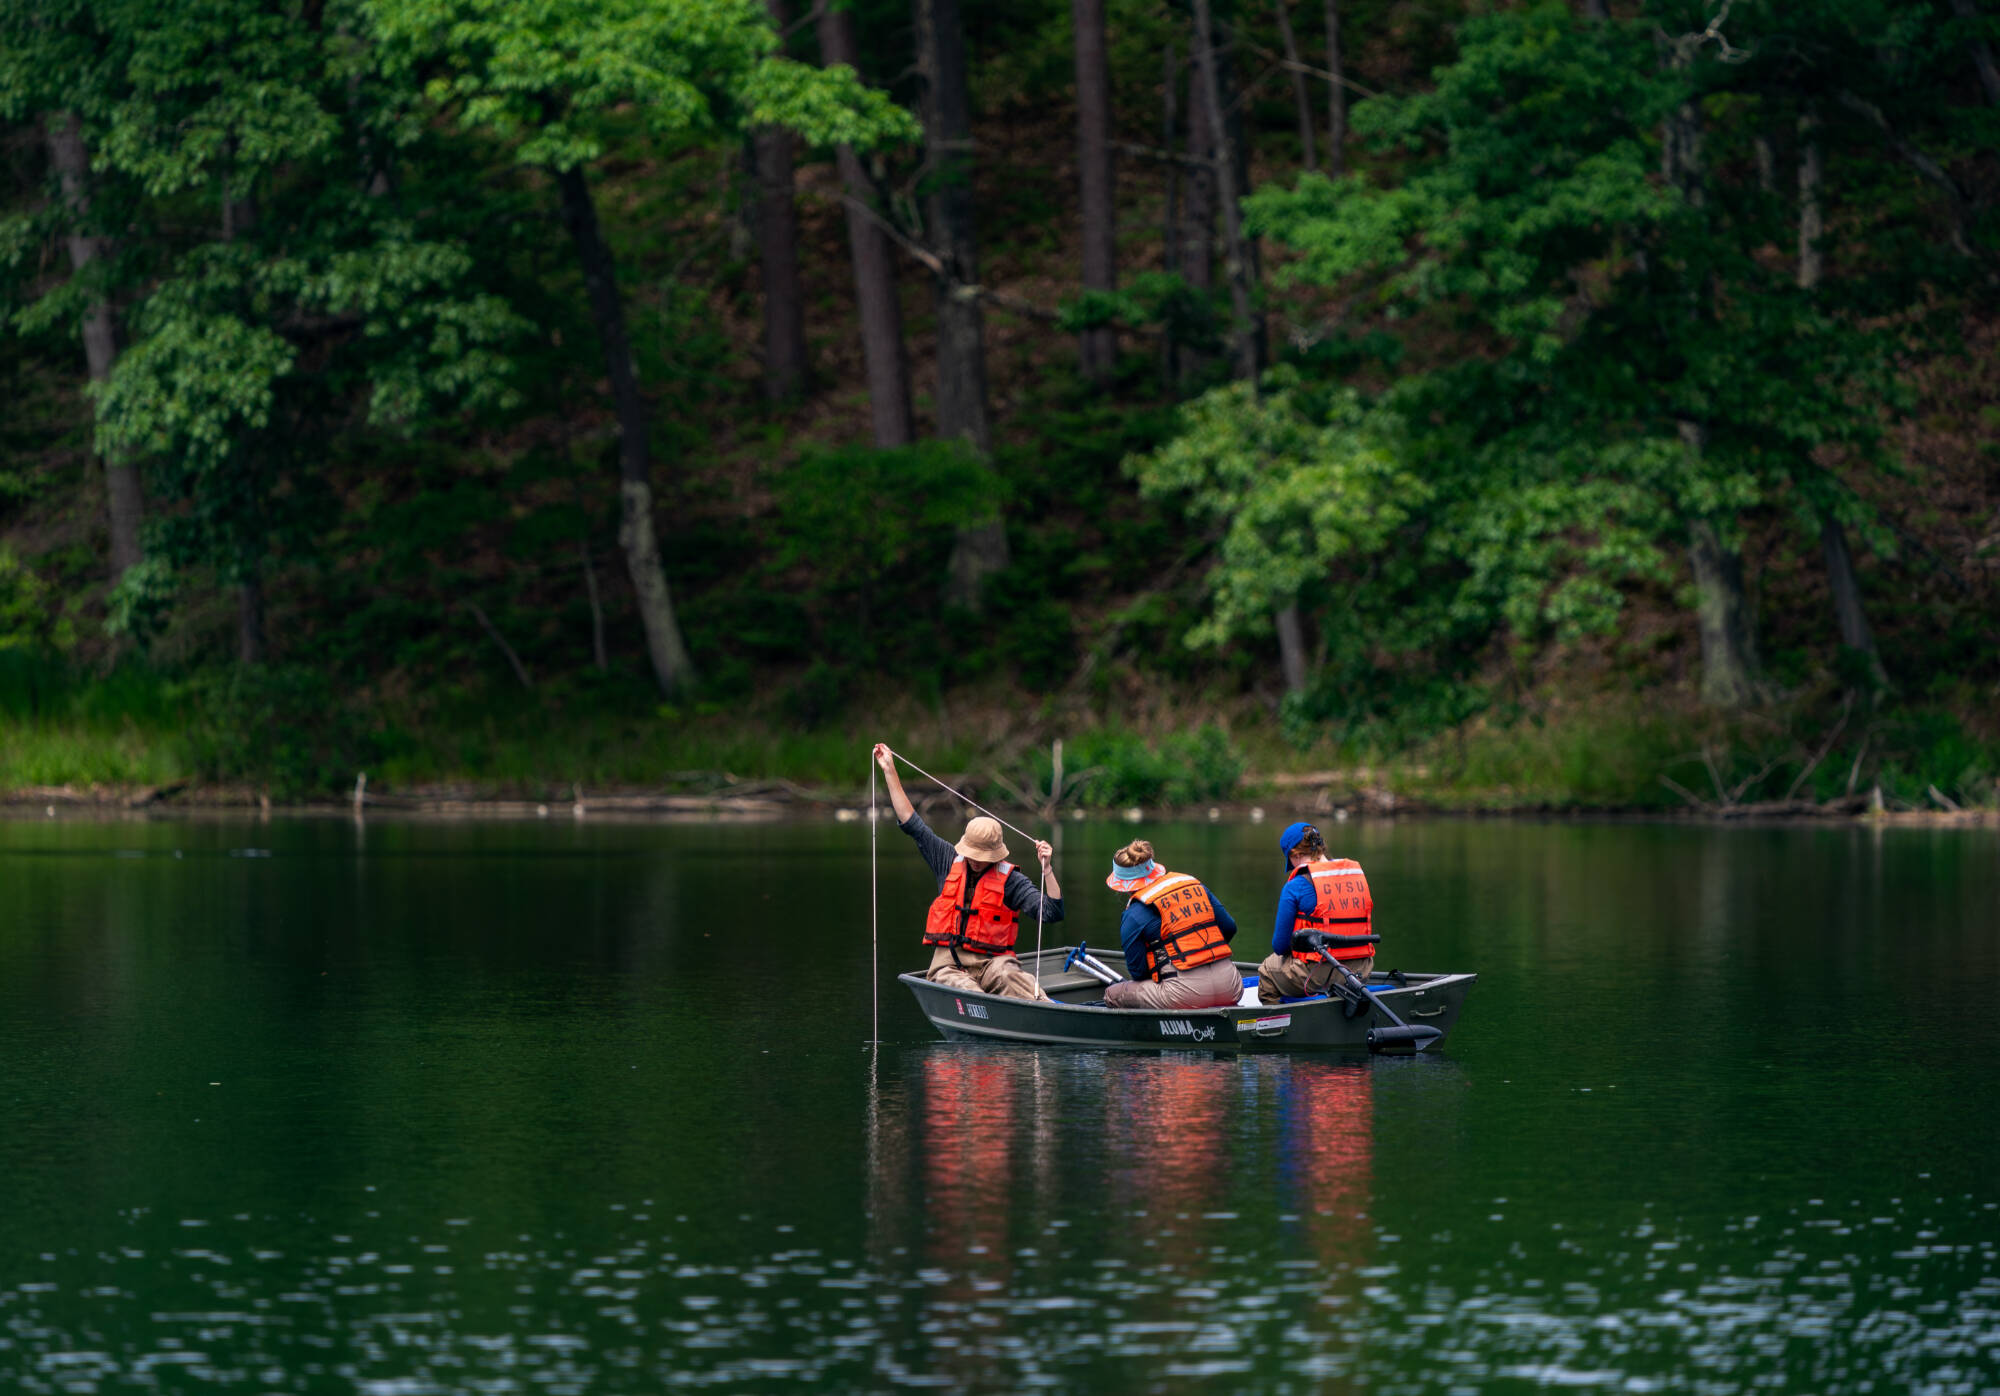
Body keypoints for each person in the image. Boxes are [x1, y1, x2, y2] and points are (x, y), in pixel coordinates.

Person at [873, 743, 1062, 1000]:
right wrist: (889, 771)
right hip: (949, 965)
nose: (974, 861)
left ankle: (1046, 1012)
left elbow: (1051, 912)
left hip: (993, 964)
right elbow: (911, 822)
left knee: (1013, 979)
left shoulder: (1011, 881)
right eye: (971, 854)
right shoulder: (947, 859)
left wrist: (1047, 870)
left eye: (981, 857)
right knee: (967, 991)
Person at [1102, 839, 1243, 1009]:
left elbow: (1138, 972)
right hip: (1232, 986)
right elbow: (1229, 927)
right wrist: (1204, 953)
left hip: (1185, 996)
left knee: (1112, 993)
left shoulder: (1133, 914)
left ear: (1123, 885)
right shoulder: (1193, 884)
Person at [1259, 822, 1375, 1005]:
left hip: (1319, 973)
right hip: (1361, 971)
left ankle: (1277, 1028)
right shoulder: (1355, 877)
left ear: (1294, 855)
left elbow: (1280, 946)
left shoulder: (1295, 885)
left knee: (1266, 970)